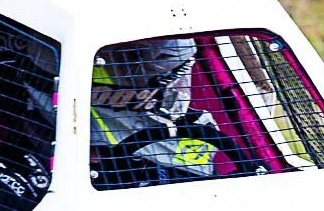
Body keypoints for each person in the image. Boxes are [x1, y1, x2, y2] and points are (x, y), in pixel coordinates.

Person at [89, 37, 235, 188]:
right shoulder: (87, 86)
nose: (180, 87)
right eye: (172, 77)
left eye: (182, 75)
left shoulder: (199, 126)